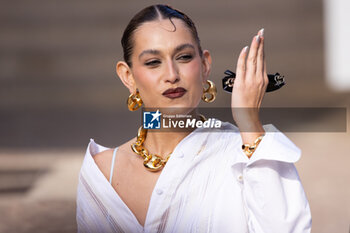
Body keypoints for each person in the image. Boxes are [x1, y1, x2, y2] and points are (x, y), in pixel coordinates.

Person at [76, 4, 312, 233]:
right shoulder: (101, 172)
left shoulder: (245, 154)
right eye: (153, 62)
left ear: (205, 65)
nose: (171, 75)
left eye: (184, 57)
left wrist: (250, 123)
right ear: (128, 77)